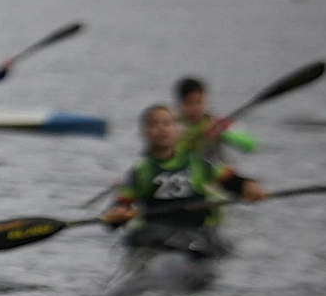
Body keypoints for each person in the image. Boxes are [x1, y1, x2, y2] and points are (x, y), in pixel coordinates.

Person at [101, 104, 265, 260]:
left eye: (167, 124)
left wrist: (248, 187)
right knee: (138, 238)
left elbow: (232, 182)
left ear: (178, 130)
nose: (162, 129)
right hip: (154, 234)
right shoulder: (139, 172)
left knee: (212, 247)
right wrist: (118, 214)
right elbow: (118, 206)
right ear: (145, 133)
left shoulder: (198, 163)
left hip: (195, 232)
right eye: (154, 124)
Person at [174, 76, 257, 157]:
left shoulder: (217, 122)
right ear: (180, 104)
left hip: (215, 167)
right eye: (190, 103)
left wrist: (222, 133)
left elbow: (251, 145)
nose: (196, 108)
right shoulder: (174, 126)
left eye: (199, 102)